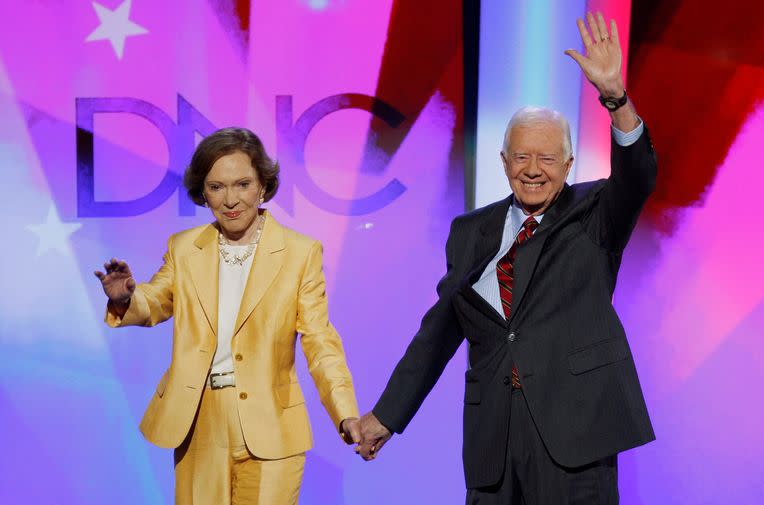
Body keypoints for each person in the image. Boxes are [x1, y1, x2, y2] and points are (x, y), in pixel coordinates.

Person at [356, 12, 656, 504]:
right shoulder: (471, 231)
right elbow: (439, 332)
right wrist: (388, 415)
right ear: (503, 161)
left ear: (569, 164)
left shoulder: (595, 213)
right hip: (494, 436)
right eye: (521, 157)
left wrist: (615, 98)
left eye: (546, 158)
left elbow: (638, 174)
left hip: (575, 434)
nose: (533, 170)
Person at [94, 127, 361, 505]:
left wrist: (346, 413)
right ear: (203, 193)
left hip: (273, 425)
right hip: (198, 420)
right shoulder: (184, 248)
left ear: (262, 187)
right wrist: (126, 299)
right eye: (217, 187)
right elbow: (155, 301)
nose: (231, 199)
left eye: (242, 184)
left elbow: (321, 341)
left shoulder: (300, 253)